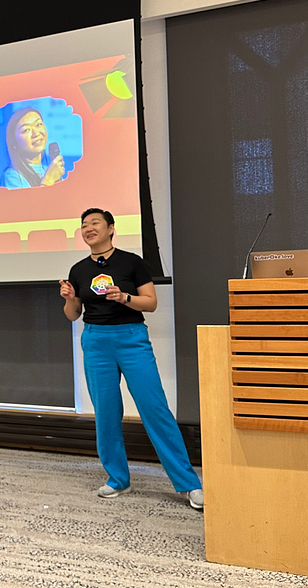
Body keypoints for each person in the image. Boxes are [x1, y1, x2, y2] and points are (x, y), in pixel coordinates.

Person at [59, 209, 203, 510]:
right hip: (96, 341)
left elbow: (150, 303)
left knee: (155, 409)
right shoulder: (78, 269)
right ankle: (117, 478)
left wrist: (124, 297)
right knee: (106, 412)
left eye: (95, 223)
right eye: (84, 225)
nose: (88, 228)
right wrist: (70, 298)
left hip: (131, 339)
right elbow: (74, 314)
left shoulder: (132, 262)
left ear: (111, 229)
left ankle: (189, 484)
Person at [2, 108, 66, 189]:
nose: (36, 133)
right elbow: (32, 202)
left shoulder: (48, 170)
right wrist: (48, 180)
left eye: (39, 125)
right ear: (14, 142)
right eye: (26, 130)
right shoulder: (12, 177)